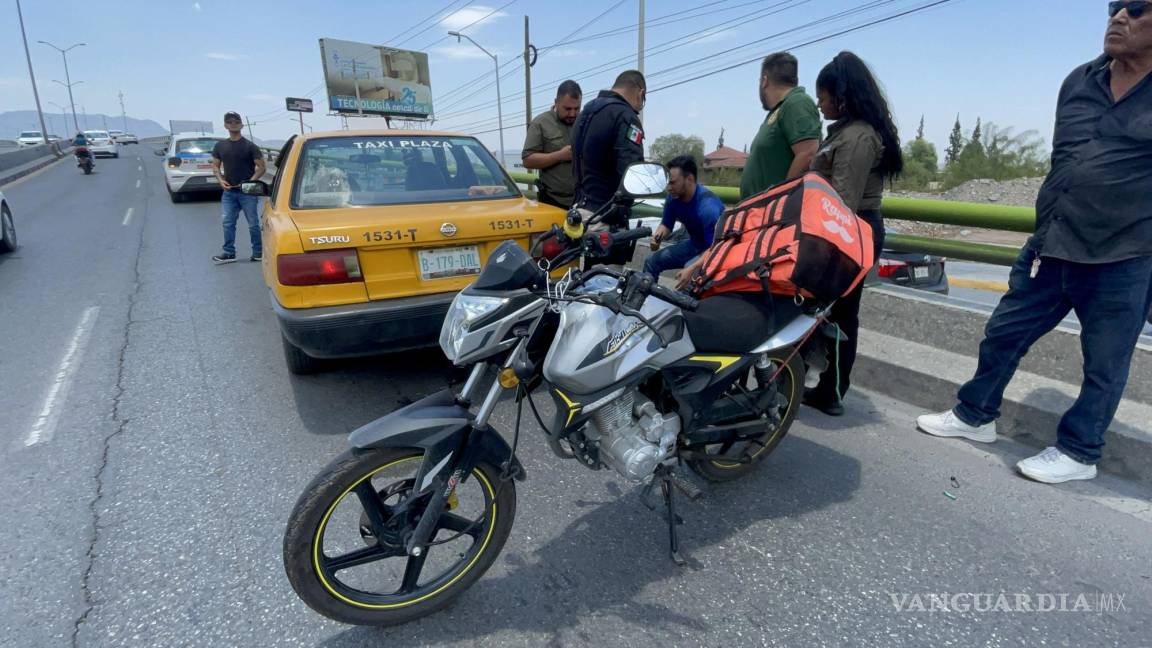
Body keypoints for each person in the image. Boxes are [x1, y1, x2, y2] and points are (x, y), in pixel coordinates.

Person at [917, 3, 1152, 484]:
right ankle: (975, 415)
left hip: (1121, 255)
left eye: (1138, 6)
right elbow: (1064, 159)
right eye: (1113, 6)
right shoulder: (1079, 80)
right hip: (1051, 244)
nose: (1119, 15)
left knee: (1104, 364)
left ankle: (1079, 452)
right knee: (1003, 333)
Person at [801, 51, 903, 417]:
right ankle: (819, 383)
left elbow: (841, 203)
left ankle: (833, 391)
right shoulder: (845, 132)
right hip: (841, 229)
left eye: (823, 94)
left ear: (841, 96)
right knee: (824, 310)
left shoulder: (858, 137)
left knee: (842, 313)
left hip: (850, 232)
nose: (819, 101)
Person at [675, 52, 821, 289]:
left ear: (764, 80)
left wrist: (781, 204)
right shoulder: (778, 111)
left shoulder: (797, 103)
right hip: (756, 220)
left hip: (770, 223)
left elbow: (808, 153)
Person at [571, 69, 646, 232]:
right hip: (604, 219)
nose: (639, 108)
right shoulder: (626, 116)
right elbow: (633, 171)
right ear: (641, 93)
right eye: (642, 102)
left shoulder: (585, 113)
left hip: (577, 213)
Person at [645, 155, 724, 277]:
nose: (669, 188)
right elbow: (666, 224)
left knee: (689, 273)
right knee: (651, 262)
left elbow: (716, 248)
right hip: (695, 245)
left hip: (716, 251)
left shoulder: (708, 208)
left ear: (690, 179)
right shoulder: (673, 198)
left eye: (673, 183)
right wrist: (657, 237)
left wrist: (692, 268)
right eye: (667, 183)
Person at [211, 111, 266, 264]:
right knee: (228, 222)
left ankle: (258, 253)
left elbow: (262, 168)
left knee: (253, 224)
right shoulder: (220, 146)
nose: (233, 124)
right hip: (229, 192)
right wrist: (221, 181)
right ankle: (229, 253)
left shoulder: (250, 146)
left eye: (236, 121)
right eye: (229, 122)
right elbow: (215, 166)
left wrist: (250, 182)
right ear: (225, 125)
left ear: (241, 124)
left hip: (247, 192)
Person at [521, 80, 582, 209]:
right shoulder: (540, 123)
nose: (572, 114)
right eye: (567, 109)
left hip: (582, 201)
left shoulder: (584, 122)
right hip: (553, 201)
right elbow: (528, 160)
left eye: (577, 108)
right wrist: (559, 155)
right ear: (556, 102)